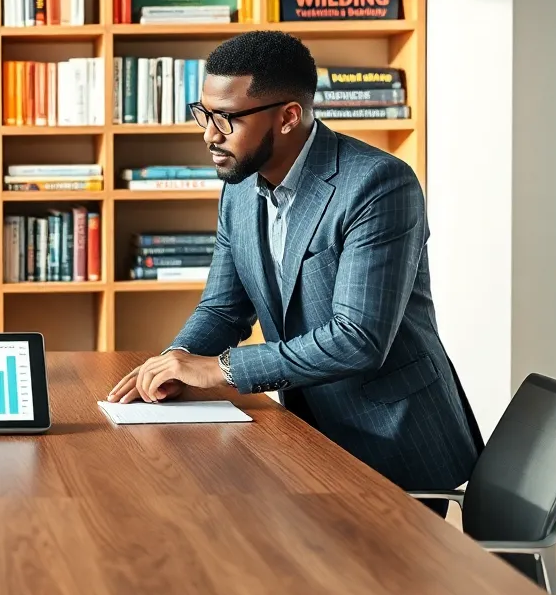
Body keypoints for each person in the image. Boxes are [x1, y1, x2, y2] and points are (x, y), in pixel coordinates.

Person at [107, 30, 483, 504]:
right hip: (305, 433)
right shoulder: (240, 187)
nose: (208, 134)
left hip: (393, 443)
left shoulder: (379, 184)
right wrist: (175, 363)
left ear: (288, 117)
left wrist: (219, 369)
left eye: (226, 119)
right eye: (203, 114)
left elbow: (357, 339)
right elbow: (224, 309)